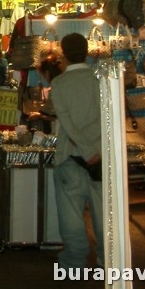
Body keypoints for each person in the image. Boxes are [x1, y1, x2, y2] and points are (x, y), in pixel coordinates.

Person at [50, 32, 104, 270]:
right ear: (87, 51)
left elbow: (68, 123)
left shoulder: (59, 83)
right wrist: (97, 149)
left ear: (63, 53)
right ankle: (107, 260)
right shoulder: (101, 79)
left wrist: (85, 148)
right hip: (101, 157)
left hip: (71, 155)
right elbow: (109, 118)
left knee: (71, 213)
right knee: (104, 214)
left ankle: (75, 261)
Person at [26, 54, 62, 133]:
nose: (44, 78)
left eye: (43, 75)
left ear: (47, 72)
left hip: (57, 130)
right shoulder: (59, 85)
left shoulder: (56, 88)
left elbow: (58, 117)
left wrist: (39, 115)